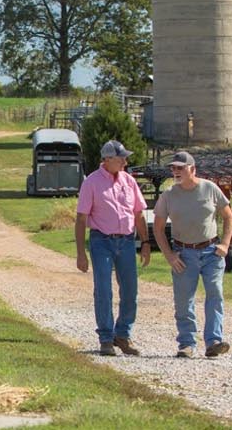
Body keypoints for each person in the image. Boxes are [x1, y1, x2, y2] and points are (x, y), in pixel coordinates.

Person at [152, 151, 232, 358]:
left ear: (193, 169)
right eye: (173, 168)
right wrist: (170, 256)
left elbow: (228, 216)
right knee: (183, 300)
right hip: (183, 253)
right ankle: (186, 344)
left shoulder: (210, 188)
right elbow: (158, 228)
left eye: (180, 168)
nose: (176, 172)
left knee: (215, 294)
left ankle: (214, 341)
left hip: (211, 252)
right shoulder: (168, 195)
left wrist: (225, 244)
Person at [74, 140, 151, 356]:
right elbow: (81, 219)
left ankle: (123, 334)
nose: (126, 161)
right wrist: (81, 253)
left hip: (126, 241)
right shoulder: (91, 182)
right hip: (101, 242)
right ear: (108, 160)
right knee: (104, 290)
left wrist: (145, 243)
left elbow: (138, 213)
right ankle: (106, 338)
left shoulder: (128, 181)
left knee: (130, 290)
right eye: (121, 158)